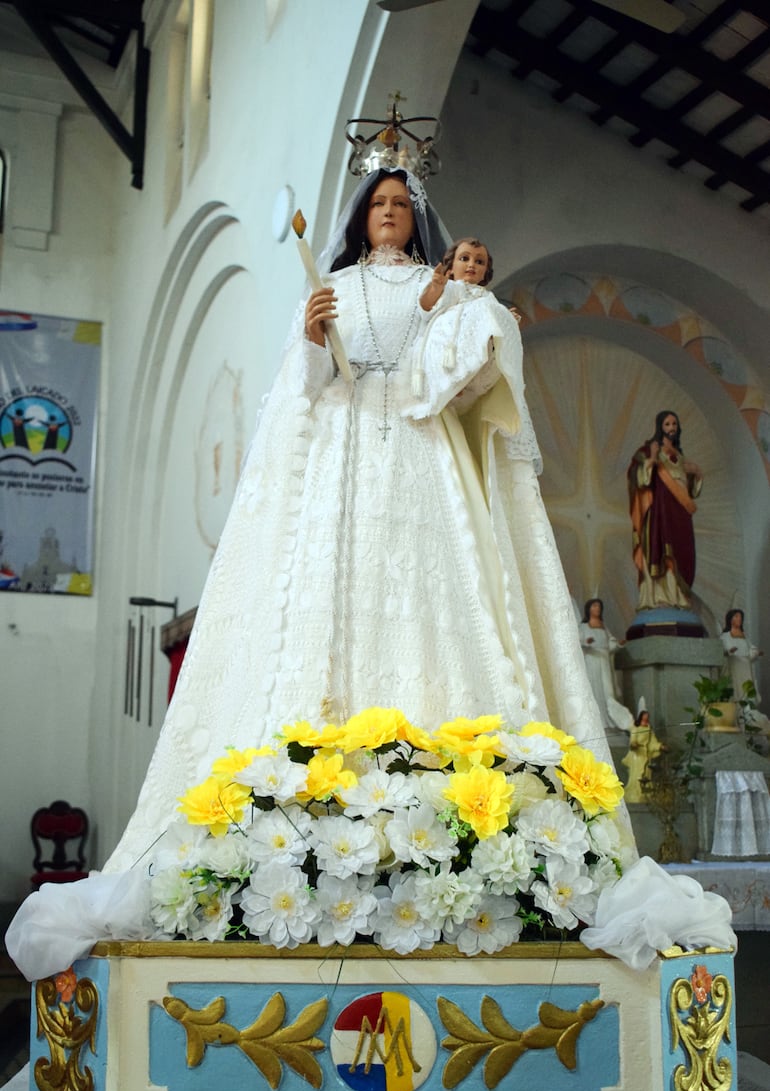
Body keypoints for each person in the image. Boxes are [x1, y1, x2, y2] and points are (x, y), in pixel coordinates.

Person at [104, 166, 632, 873]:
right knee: (329, 590)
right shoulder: (333, 287)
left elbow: (463, 374)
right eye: (378, 202)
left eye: (399, 204)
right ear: (361, 216)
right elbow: (302, 389)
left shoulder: (440, 288)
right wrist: (313, 338)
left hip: (422, 448)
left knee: (433, 591)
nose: (388, 212)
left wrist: (482, 334)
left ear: (416, 217)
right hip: (341, 452)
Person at [628, 410, 702, 610]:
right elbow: (639, 478)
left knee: (681, 550)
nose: (671, 428)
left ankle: (678, 595)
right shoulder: (651, 449)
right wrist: (652, 458)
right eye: (667, 424)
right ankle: (662, 596)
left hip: (681, 513)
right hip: (661, 512)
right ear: (660, 427)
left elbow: (690, 491)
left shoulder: (679, 455)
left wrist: (696, 474)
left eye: (674, 424)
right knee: (662, 549)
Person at [578, 598, 633, 731]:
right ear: (588, 609)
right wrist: (587, 642)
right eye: (594, 606)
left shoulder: (603, 626)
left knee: (608, 690)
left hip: (604, 660)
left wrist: (618, 644)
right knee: (595, 689)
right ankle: (597, 720)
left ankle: (611, 719)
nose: (597, 608)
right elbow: (578, 641)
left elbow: (610, 644)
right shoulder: (583, 627)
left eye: (599, 606)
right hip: (592, 660)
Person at [721, 609, 770, 735]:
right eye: (736, 616)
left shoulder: (744, 636)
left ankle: (749, 719)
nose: (739, 619)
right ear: (730, 619)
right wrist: (729, 651)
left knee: (748, 692)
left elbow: (750, 650)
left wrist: (756, 653)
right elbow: (723, 650)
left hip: (746, 668)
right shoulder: (725, 636)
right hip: (735, 667)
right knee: (737, 691)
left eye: (740, 617)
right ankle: (738, 720)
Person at [622, 709, 665, 804]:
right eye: (644, 717)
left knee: (646, 773)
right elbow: (633, 740)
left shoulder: (649, 729)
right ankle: (635, 795)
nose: (646, 719)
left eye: (647, 717)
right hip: (637, 755)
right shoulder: (636, 728)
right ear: (641, 717)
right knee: (637, 774)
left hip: (646, 755)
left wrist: (660, 746)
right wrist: (634, 744)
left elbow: (652, 742)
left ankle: (645, 794)